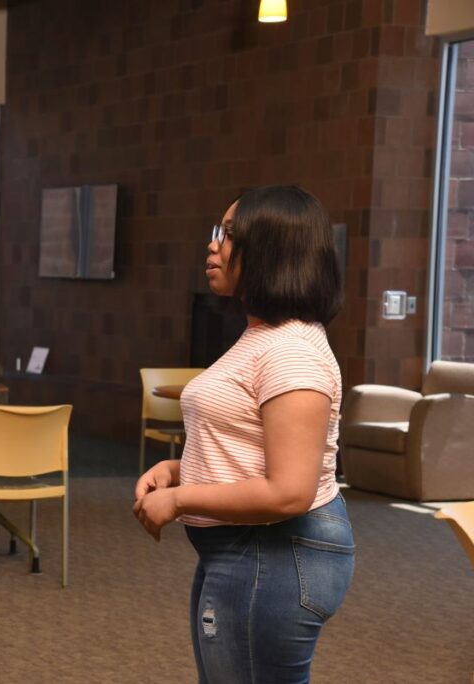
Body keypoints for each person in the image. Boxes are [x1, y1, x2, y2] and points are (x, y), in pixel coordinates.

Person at [133, 185, 355, 683]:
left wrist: (180, 499)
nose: (213, 245)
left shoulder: (291, 351)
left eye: (229, 234)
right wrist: (180, 469)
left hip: (274, 553)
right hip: (246, 551)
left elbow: (290, 491)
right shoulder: (264, 337)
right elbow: (250, 446)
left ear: (271, 250)